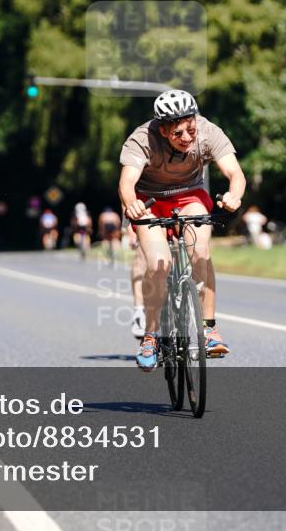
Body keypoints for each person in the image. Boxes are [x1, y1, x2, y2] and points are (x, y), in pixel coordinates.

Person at [119, 89, 246, 371]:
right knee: (159, 265)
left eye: (191, 129)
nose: (188, 138)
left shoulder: (208, 131)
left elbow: (235, 173)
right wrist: (131, 204)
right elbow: (127, 182)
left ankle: (210, 330)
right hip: (150, 201)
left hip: (191, 197)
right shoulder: (142, 139)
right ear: (163, 130)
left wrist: (234, 195)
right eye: (178, 133)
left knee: (200, 251)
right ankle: (150, 337)